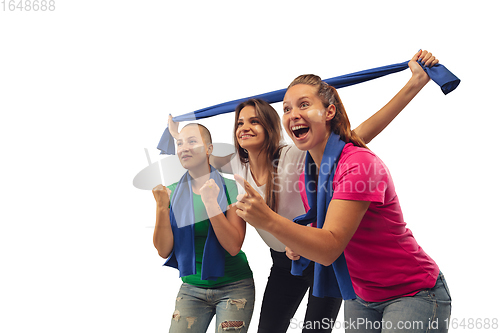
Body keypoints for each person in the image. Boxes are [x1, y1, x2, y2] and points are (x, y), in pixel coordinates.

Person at [169, 50, 442, 333]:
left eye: (254, 121)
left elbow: (355, 137)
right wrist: (179, 136)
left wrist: (412, 85)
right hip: (288, 261)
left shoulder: (297, 156)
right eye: (239, 123)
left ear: (271, 127)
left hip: (322, 257)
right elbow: (198, 154)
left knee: (314, 329)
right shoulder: (237, 163)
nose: (245, 128)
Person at [152, 123, 254, 333]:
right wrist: (162, 208)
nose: (183, 148)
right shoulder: (171, 193)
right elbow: (163, 251)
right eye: (179, 143)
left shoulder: (231, 188)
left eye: (192, 141)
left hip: (234, 287)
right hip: (191, 288)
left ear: (209, 149)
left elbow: (233, 246)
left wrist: (211, 204)